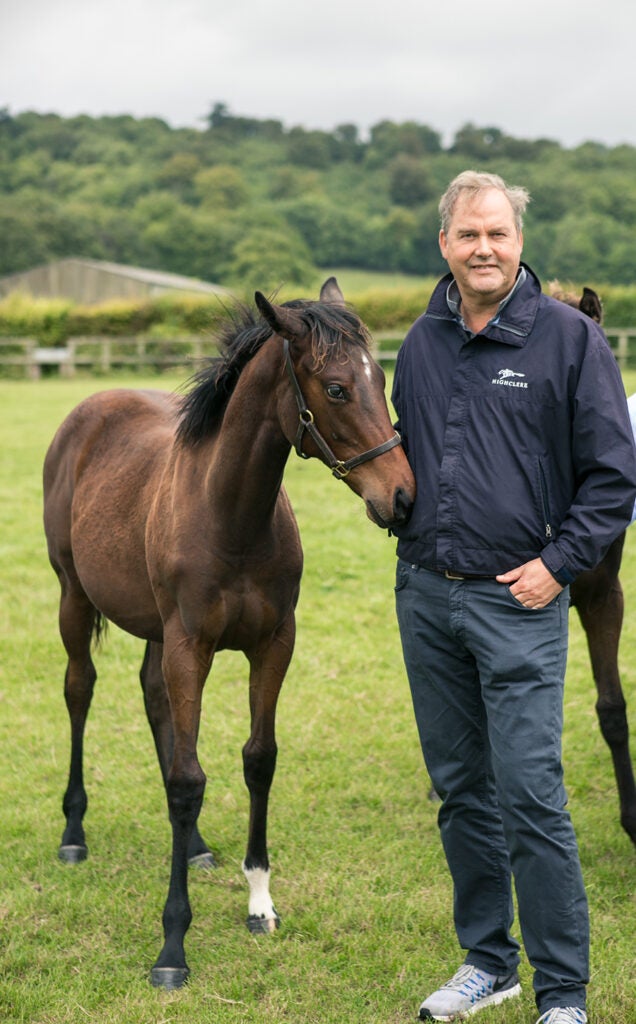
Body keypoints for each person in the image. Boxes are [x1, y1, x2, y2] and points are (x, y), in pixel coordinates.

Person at [391, 170, 636, 1024]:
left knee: (530, 791)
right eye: (468, 236)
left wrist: (558, 565)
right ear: (445, 245)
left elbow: (613, 480)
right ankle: (488, 963)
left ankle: (562, 991)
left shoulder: (570, 342)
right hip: (427, 598)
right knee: (461, 788)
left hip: (519, 604)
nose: (484, 249)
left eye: (497, 234)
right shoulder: (421, 344)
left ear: (519, 242)